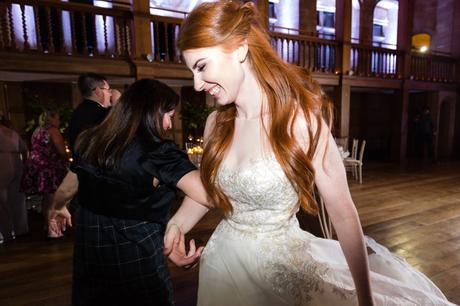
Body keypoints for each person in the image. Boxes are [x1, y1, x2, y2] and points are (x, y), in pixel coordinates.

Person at [164, 1, 455, 305]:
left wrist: (365, 300)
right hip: (222, 266)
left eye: (201, 67)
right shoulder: (216, 124)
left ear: (239, 49)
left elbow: (343, 215)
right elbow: (212, 192)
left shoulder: (300, 123)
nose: (197, 85)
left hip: (280, 274)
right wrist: (178, 226)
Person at [48, 79, 208, 306]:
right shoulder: (156, 153)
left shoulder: (90, 140)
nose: (169, 125)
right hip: (136, 253)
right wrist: (175, 229)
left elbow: (69, 185)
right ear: (151, 112)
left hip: (91, 250)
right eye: (168, 115)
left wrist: (57, 207)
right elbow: (208, 193)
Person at [22, 110, 68, 238]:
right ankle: (53, 230)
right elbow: (61, 151)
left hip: (37, 168)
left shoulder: (37, 130)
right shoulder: (53, 130)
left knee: (46, 200)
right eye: (57, 119)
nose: (59, 122)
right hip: (50, 169)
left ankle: (47, 224)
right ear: (51, 119)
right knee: (53, 199)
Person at [0, 114, 28, 243]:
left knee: (2, 202)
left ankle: (7, 233)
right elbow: (24, 149)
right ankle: (20, 229)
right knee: (17, 199)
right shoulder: (12, 132)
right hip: (17, 164)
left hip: (2, 165)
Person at [68, 72, 111, 151]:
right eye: (108, 90)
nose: (110, 94)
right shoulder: (101, 113)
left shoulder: (78, 111)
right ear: (98, 91)